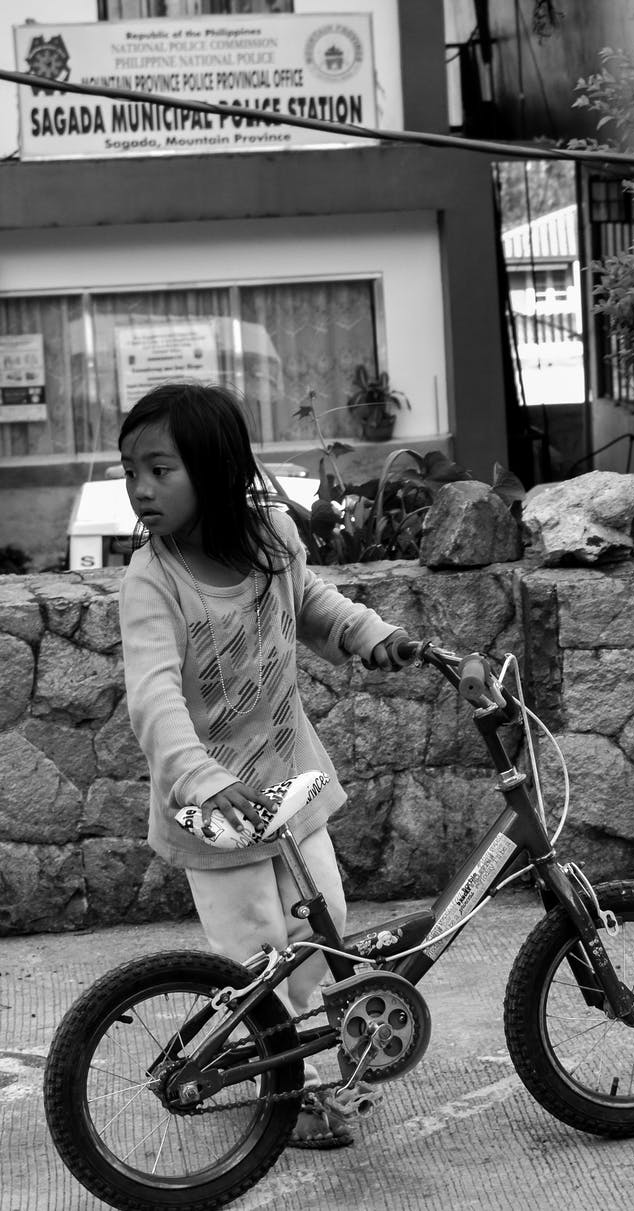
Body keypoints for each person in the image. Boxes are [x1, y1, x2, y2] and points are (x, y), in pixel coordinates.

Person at [117, 380, 413, 1150]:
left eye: (160, 469)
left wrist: (371, 633)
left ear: (213, 468)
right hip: (214, 809)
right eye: (132, 472)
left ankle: (306, 1073)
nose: (141, 489)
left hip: (289, 778)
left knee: (325, 923)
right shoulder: (152, 582)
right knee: (255, 955)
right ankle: (290, 1089)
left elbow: (313, 605)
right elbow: (153, 699)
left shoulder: (273, 539)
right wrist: (205, 777)